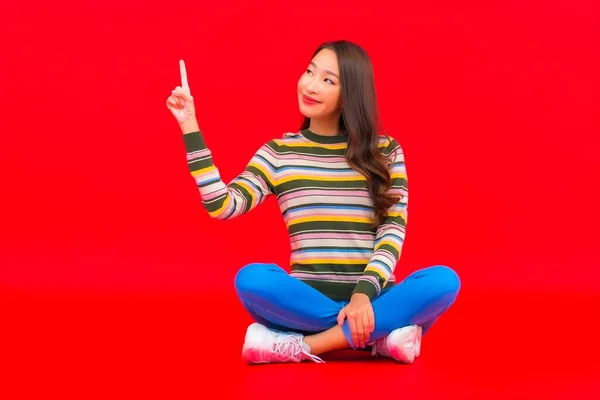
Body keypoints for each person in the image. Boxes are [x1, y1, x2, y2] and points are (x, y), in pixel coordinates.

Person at [166, 40, 461, 364]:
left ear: (350, 93)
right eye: (309, 72)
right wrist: (189, 126)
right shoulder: (279, 153)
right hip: (305, 301)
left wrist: (362, 295)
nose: (310, 85)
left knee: (443, 281)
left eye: (327, 80)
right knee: (251, 279)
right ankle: (376, 339)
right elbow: (222, 205)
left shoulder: (385, 151)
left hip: (375, 296)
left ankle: (308, 345)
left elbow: (393, 230)